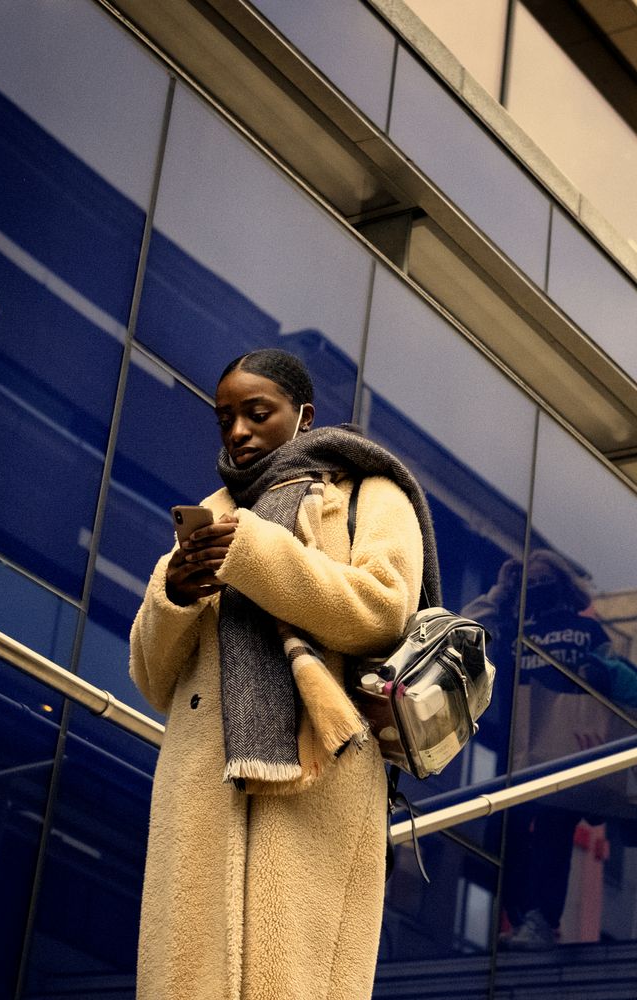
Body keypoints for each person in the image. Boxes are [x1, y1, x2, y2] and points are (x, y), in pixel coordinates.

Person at [129, 348, 440, 1000]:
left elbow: (383, 610)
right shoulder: (211, 511)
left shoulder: (368, 494)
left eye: (256, 412)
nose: (237, 430)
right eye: (225, 418)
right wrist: (175, 592)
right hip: (200, 794)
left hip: (316, 784)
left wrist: (254, 554)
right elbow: (154, 678)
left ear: (303, 416)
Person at [465, 549, 637, 950]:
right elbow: (468, 629)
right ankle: (525, 919)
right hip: (520, 752)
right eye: (530, 582)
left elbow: (624, 678)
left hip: (570, 749)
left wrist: (602, 673)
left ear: (563, 586)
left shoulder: (587, 631)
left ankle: (542, 922)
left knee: (550, 829)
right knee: (498, 837)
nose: (538, 588)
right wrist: (501, 592)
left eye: (545, 580)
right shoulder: (511, 631)